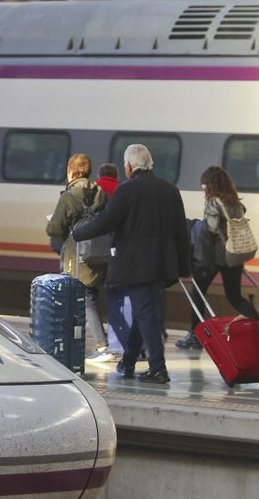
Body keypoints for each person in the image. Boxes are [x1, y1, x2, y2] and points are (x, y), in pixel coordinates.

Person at [72, 144, 192, 385]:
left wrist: (78, 233)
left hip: (136, 265)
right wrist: (184, 267)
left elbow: (107, 221)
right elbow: (182, 231)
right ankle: (127, 362)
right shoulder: (170, 190)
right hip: (162, 265)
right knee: (143, 312)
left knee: (146, 313)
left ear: (128, 166)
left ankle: (158, 368)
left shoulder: (128, 190)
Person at [177, 166, 259, 350]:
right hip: (234, 255)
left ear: (210, 184)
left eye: (204, 184)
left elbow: (210, 228)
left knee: (198, 294)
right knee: (235, 296)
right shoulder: (234, 202)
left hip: (214, 257)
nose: (203, 187)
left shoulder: (213, 203)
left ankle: (195, 335)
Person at [45, 153, 110, 356]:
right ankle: (80, 344)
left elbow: (55, 228)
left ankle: (101, 345)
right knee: (88, 298)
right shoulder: (102, 194)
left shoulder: (69, 196)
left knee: (83, 301)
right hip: (98, 256)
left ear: (72, 172)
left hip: (76, 258)